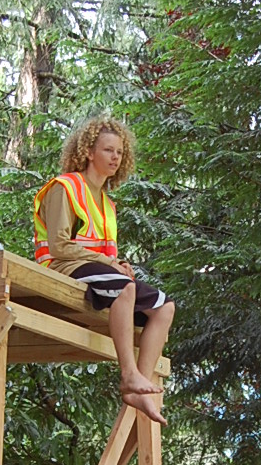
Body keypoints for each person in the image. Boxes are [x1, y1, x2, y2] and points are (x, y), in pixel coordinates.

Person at [33, 116, 175, 425]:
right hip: (61, 267)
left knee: (165, 306)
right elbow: (58, 246)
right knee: (125, 288)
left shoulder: (107, 204)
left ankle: (141, 384)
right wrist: (112, 267)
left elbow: (103, 254)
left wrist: (119, 263)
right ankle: (127, 375)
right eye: (108, 150)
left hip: (94, 270)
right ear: (88, 152)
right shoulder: (65, 187)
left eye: (120, 153)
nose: (115, 158)